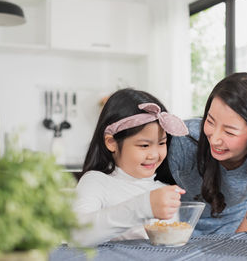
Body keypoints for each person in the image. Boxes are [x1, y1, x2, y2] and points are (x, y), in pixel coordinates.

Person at [167, 72, 247, 235]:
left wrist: (233, 246)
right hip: (176, 227)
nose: (214, 140)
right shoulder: (183, 141)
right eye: (210, 121)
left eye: (229, 132)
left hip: (236, 227)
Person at [73, 88, 188, 247]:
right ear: (111, 142)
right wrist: (144, 206)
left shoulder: (163, 190)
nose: (154, 154)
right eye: (144, 145)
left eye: (162, 143)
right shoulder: (96, 182)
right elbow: (78, 235)